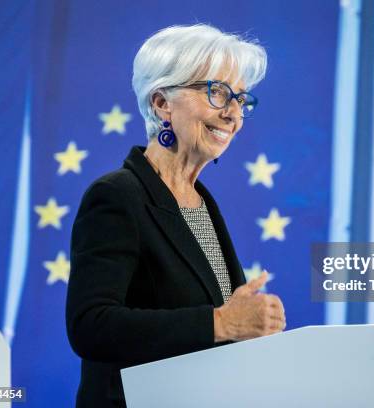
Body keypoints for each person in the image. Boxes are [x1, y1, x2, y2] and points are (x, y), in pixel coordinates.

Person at [65, 24, 286, 408]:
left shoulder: (201, 201)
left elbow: (209, 326)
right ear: (161, 103)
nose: (233, 114)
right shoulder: (117, 195)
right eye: (217, 93)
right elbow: (91, 326)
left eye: (240, 99)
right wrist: (222, 323)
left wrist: (249, 326)